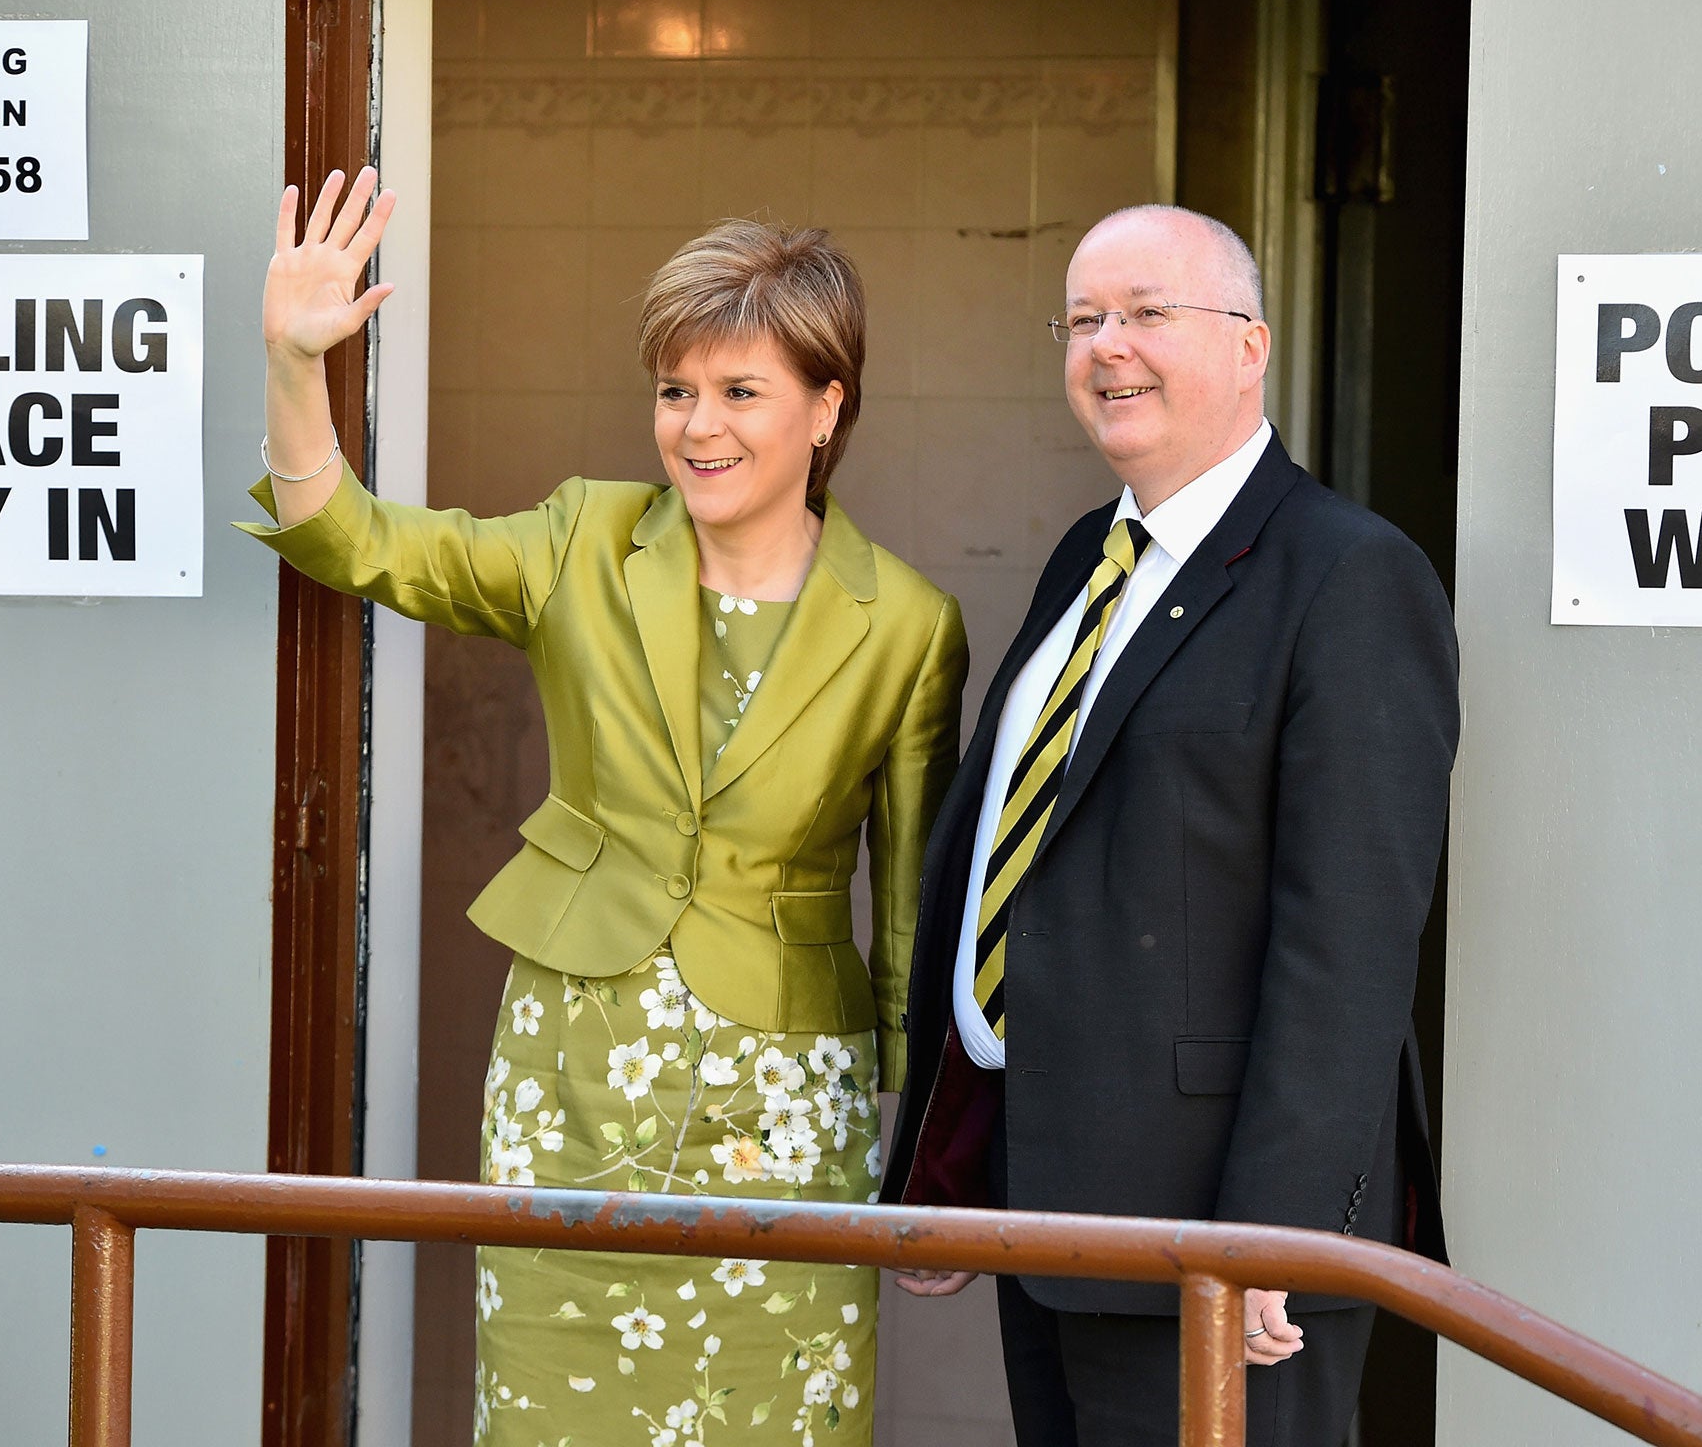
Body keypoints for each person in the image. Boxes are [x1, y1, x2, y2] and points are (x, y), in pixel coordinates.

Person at [240, 169, 966, 1446]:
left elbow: (911, 919)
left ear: (825, 404)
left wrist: (930, 1160)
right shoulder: (584, 539)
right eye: (675, 391)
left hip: (787, 1102)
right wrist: (292, 363)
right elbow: (349, 540)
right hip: (573, 1077)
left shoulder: (907, 626)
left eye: (739, 391)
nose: (697, 426)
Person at [883, 205, 1458, 1447]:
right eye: (1083, 319)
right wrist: (945, 1163)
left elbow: (1348, 946)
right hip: (1054, 1214)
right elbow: (1019, 873)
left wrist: (1274, 1232)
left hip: (1226, 1243)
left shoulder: (1349, 576)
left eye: (1147, 313)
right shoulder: (1088, 557)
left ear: (1249, 348)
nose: (1107, 346)